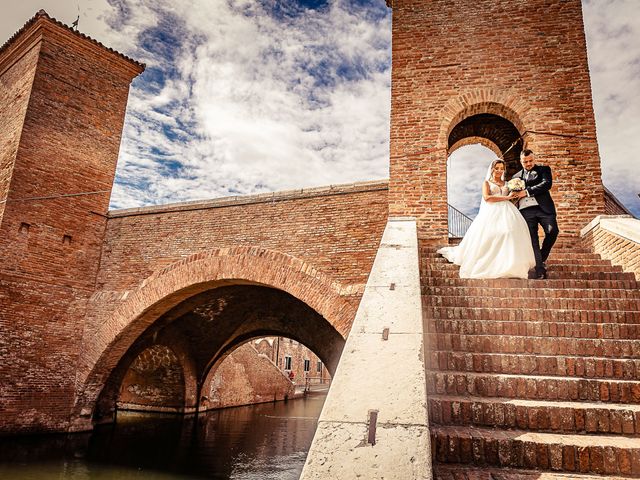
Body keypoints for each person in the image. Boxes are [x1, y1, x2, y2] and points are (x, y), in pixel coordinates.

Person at [438, 159, 535, 279]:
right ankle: (489, 262)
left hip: (508, 210)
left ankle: (509, 264)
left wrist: (514, 195)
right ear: (492, 169)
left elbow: (511, 198)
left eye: (501, 168)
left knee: (511, 233)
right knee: (492, 235)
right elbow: (487, 197)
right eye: (497, 168)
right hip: (492, 211)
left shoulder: (507, 183)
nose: (499, 171)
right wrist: (506, 197)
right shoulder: (487, 183)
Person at [512, 149, 559, 279]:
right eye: (525, 162)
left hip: (544, 208)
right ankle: (540, 270)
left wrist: (526, 191)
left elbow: (546, 184)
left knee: (552, 231)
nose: (528, 163)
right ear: (520, 161)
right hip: (526, 211)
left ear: (534, 158)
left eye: (530, 160)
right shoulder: (515, 177)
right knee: (533, 240)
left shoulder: (544, 170)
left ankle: (542, 257)